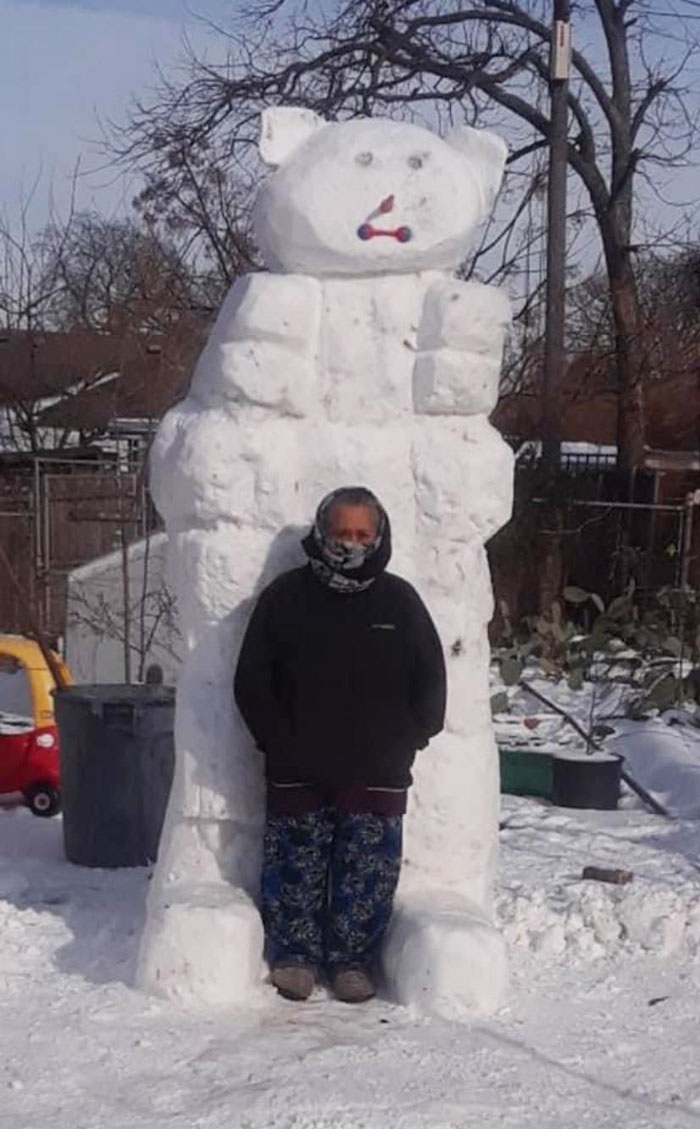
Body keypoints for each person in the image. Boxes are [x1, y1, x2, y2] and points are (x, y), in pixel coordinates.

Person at [234, 486, 446, 1004]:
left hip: (377, 769)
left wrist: (409, 739)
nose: (350, 543)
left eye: (361, 533)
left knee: (367, 875)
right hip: (298, 765)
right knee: (294, 868)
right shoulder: (286, 598)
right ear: (322, 532)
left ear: (378, 536)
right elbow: (252, 681)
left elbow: (431, 681)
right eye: (340, 532)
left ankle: (352, 960)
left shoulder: (399, 601)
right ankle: (295, 956)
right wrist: (276, 739)